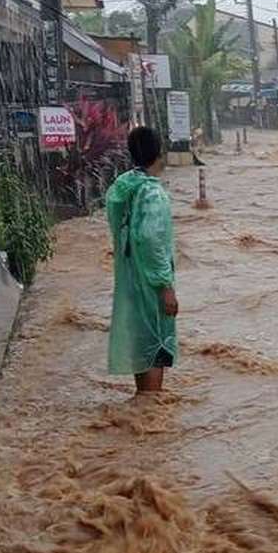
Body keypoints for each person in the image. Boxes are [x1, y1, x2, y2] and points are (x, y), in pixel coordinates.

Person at [105, 126, 179, 394]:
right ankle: (150, 410)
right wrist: (166, 286)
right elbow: (150, 239)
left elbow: (123, 230)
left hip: (128, 276)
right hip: (150, 283)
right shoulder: (152, 193)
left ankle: (141, 404)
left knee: (140, 339)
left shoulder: (123, 187)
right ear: (159, 154)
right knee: (157, 343)